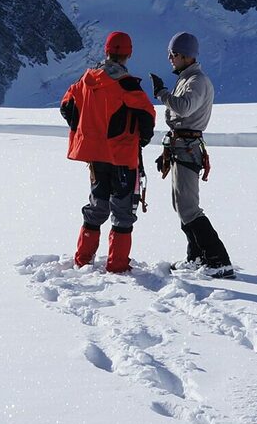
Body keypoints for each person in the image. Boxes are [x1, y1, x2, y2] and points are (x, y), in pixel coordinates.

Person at [60, 31, 156, 273]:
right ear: (128, 53)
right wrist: (139, 140)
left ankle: (82, 260)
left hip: (95, 156)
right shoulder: (126, 84)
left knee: (97, 205)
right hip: (122, 157)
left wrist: (86, 130)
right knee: (122, 212)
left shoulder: (86, 80)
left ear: (106, 51)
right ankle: (117, 265)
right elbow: (147, 117)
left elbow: (66, 106)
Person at [149, 32, 234, 277]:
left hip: (187, 146)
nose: (170, 59)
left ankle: (218, 259)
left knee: (189, 206)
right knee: (181, 204)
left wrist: (162, 94)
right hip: (181, 145)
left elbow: (184, 108)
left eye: (173, 55)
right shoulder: (189, 78)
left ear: (186, 56)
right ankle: (196, 256)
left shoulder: (196, 80)